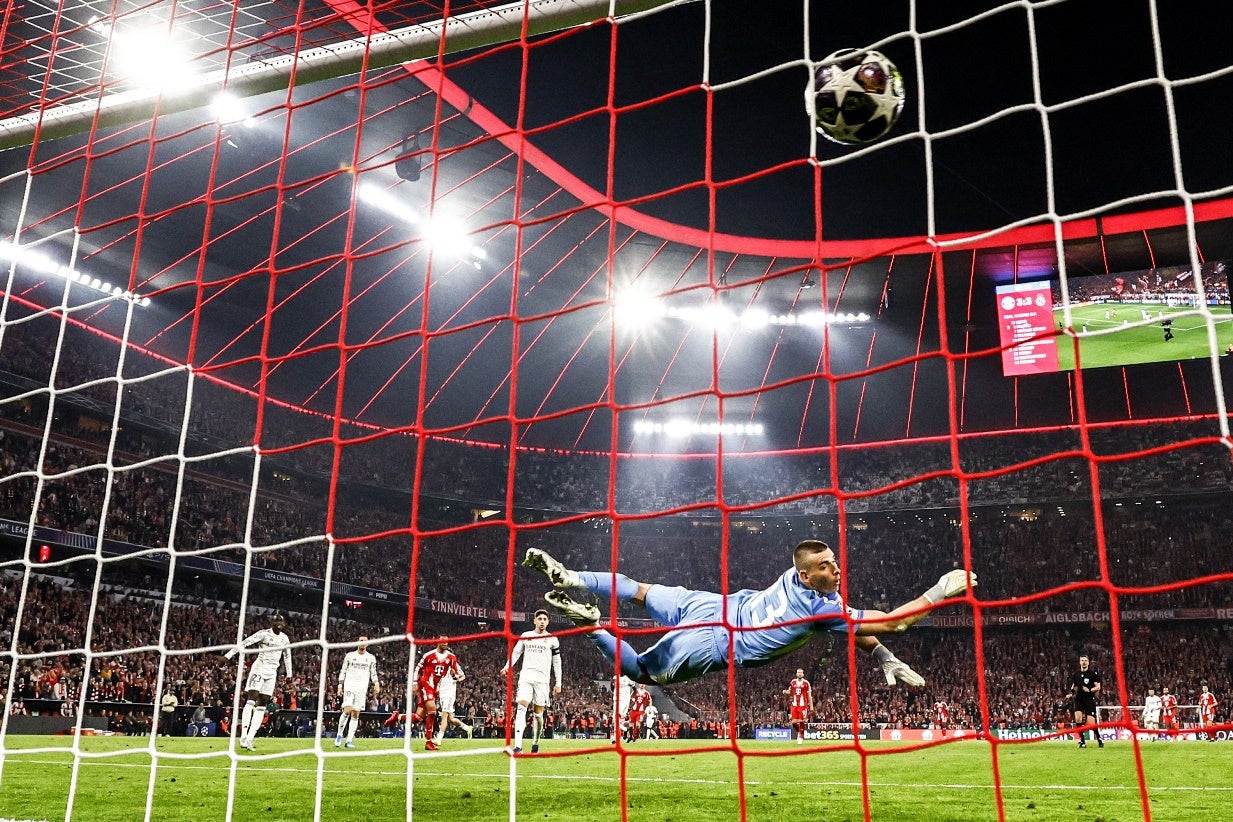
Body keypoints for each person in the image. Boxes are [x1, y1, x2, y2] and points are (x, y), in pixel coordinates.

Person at [522, 541, 976, 687]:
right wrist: (938, 591)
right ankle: (591, 624)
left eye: (835, 562)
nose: (836, 569)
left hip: (714, 603)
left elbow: (848, 624)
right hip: (713, 640)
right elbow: (891, 620)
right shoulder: (821, 610)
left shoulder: (795, 579)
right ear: (806, 573)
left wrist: (883, 657)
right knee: (641, 673)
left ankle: (571, 577)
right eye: (826, 566)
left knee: (638, 590)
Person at [224, 612, 292, 751]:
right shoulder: (264, 634)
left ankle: (250, 738)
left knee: (262, 704)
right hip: (259, 669)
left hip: (272, 673)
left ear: (284, 624)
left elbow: (287, 656)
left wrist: (289, 673)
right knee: (251, 700)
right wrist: (228, 655)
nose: (278, 622)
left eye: (281, 620)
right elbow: (245, 642)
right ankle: (243, 736)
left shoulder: (285, 639)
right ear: (271, 622)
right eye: (276, 620)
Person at [500, 608, 561, 754]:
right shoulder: (526, 636)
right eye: (539, 619)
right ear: (534, 621)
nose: (542, 622)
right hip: (526, 677)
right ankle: (518, 747)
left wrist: (558, 682)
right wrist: (507, 666)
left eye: (544, 619)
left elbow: (557, 662)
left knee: (538, 714)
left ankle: (536, 742)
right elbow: (516, 652)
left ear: (548, 622)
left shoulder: (552, 639)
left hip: (542, 681)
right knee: (521, 708)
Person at [412, 635, 465, 751]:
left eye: (447, 642)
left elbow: (459, 674)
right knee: (432, 711)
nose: (445, 644)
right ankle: (430, 741)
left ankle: (398, 717)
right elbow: (418, 668)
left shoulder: (451, 658)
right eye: (442, 642)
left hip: (441, 690)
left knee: (421, 716)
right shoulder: (428, 656)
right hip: (428, 685)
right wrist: (414, 682)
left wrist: (455, 677)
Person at [335, 635, 380, 748]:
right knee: (347, 710)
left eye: (365, 641)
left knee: (356, 714)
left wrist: (376, 683)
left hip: (362, 689)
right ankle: (339, 735)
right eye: (361, 640)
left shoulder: (371, 658)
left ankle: (349, 740)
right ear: (357, 642)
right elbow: (343, 670)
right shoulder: (350, 656)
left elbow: (373, 672)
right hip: (350, 686)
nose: (362, 642)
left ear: (368, 644)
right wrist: (340, 686)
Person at [433, 666, 474, 746]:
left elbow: (463, 676)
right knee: (450, 719)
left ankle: (439, 739)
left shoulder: (454, 665)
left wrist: (456, 678)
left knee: (444, 716)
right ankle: (467, 728)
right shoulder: (440, 664)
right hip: (442, 694)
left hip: (449, 695)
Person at [1070, 654, 1103, 748]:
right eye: (1082, 660)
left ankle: (1099, 738)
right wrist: (1071, 693)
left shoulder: (1092, 674)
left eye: (1085, 660)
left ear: (1088, 663)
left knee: (1091, 723)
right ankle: (1082, 741)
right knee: (1078, 718)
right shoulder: (1076, 674)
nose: (1084, 662)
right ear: (1080, 662)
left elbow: (1098, 687)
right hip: (1079, 699)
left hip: (1089, 699)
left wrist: (1090, 690)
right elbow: (1075, 686)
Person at [783, 668, 812, 745]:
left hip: (803, 705)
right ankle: (800, 732)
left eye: (801, 672)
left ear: (803, 674)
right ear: (796, 674)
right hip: (794, 705)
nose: (799, 674)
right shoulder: (793, 682)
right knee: (793, 722)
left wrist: (811, 706)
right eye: (798, 672)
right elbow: (790, 691)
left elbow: (809, 695)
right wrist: (785, 692)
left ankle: (800, 737)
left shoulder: (806, 683)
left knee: (802, 721)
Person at [613, 673, 634, 743]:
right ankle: (617, 738)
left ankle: (622, 732)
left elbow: (634, 688)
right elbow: (612, 685)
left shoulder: (629, 678)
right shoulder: (615, 677)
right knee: (616, 718)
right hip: (617, 699)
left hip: (625, 700)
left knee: (618, 718)